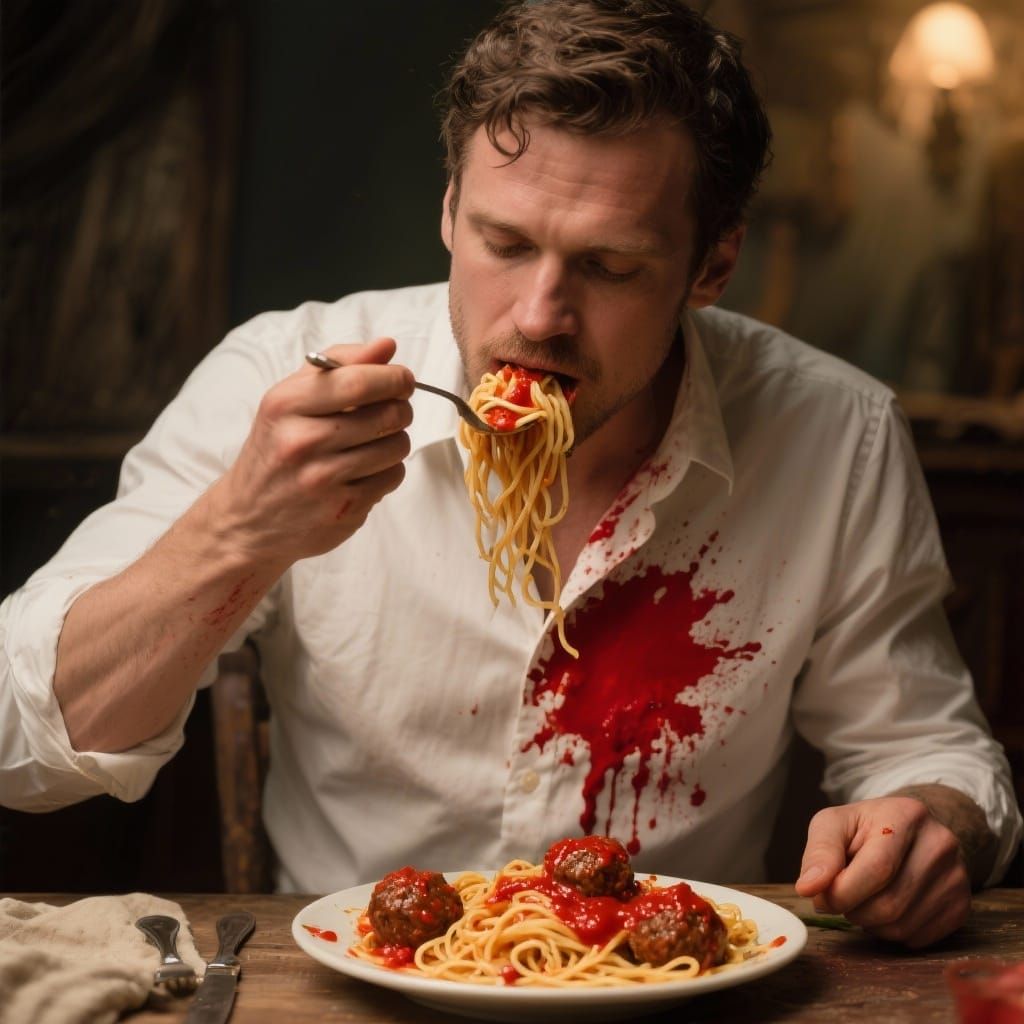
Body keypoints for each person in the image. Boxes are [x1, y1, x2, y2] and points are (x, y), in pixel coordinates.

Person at [0, 0, 1019, 950]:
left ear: (711, 266)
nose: (538, 314)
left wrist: (926, 824)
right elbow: (26, 745)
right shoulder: (279, 375)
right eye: (503, 241)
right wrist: (237, 532)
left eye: (609, 266)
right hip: (352, 985)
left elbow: (928, 752)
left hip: (673, 995)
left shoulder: (835, 433)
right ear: (449, 209)